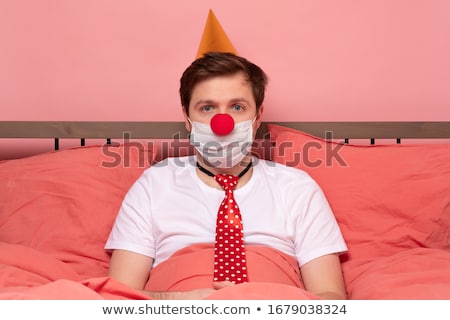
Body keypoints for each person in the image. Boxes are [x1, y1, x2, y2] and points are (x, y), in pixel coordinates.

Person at [105, 52, 348, 300]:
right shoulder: (154, 183)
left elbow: (332, 298)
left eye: (237, 107)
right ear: (187, 119)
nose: (223, 122)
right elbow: (118, 296)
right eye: (207, 107)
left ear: (257, 117)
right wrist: (178, 301)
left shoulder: (297, 188)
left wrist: (263, 304)